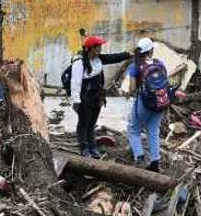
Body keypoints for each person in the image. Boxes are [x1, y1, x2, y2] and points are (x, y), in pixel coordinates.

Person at [69, 35, 131, 158]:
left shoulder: (98, 59)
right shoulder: (80, 63)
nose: (100, 49)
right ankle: (84, 148)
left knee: (92, 123)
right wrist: (76, 101)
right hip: (84, 97)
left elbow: (113, 57)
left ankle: (92, 148)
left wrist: (127, 54)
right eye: (98, 47)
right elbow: (75, 83)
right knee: (83, 123)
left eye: (100, 47)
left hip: (97, 97)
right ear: (91, 48)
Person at [126, 37, 181, 172]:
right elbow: (164, 83)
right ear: (150, 51)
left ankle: (139, 158)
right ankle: (155, 162)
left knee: (133, 129)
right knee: (153, 131)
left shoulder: (135, 66)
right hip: (161, 102)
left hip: (144, 103)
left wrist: (129, 91)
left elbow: (132, 88)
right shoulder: (159, 63)